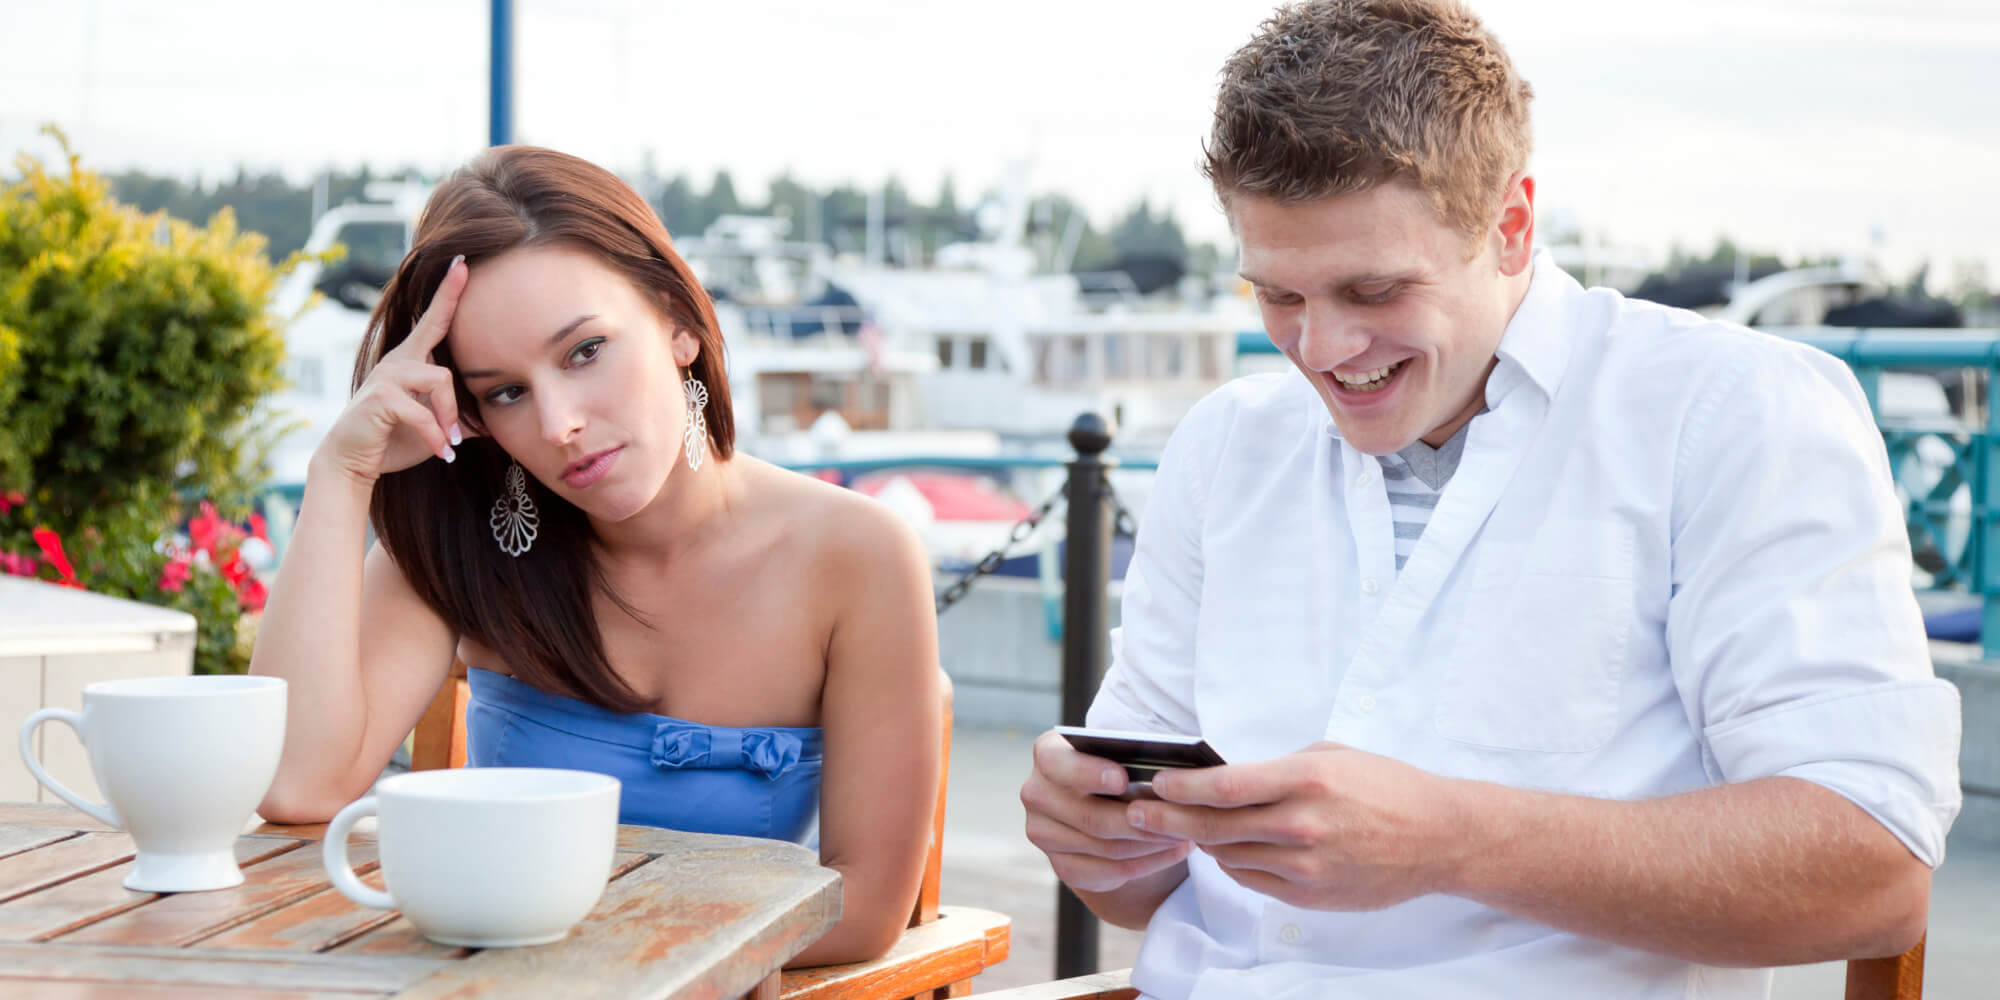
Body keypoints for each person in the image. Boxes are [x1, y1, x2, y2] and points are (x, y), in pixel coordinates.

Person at [1019, 2, 1963, 996]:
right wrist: (1096, 841)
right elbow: (1147, 894)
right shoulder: (1222, 445)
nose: (1320, 348)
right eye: (1279, 296)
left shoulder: (1732, 415)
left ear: (1510, 227)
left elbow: (1874, 873)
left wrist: (1451, 842)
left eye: (1374, 291)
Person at [251, 145, 941, 967]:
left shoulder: (856, 556)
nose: (559, 426)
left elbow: (863, 909)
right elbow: (297, 785)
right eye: (506, 392)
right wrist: (342, 472)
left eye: (584, 351)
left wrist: (591, 952)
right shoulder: (464, 546)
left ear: (677, 321)